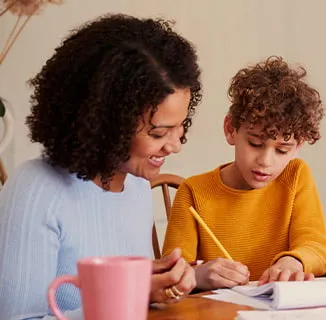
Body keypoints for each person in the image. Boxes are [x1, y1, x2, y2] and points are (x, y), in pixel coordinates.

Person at [0, 14, 203, 319]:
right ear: (107, 123)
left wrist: (153, 282)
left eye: (180, 126)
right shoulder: (36, 189)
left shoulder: (135, 187)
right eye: (158, 133)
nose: (175, 145)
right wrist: (128, 294)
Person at [162, 56, 326, 290]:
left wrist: (294, 261)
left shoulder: (296, 175)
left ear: (298, 146)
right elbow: (171, 273)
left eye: (282, 150)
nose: (265, 161)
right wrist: (199, 275)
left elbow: (317, 248)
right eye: (255, 143)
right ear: (231, 130)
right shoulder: (194, 192)